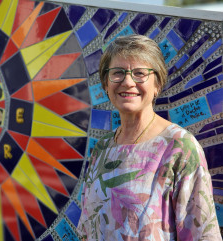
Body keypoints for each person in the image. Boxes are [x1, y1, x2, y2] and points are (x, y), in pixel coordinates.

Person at [77, 34, 221, 240]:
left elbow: (201, 235)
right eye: (117, 73)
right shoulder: (101, 149)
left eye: (139, 73)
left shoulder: (180, 147)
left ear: (157, 85)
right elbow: (87, 229)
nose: (127, 82)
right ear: (106, 85)